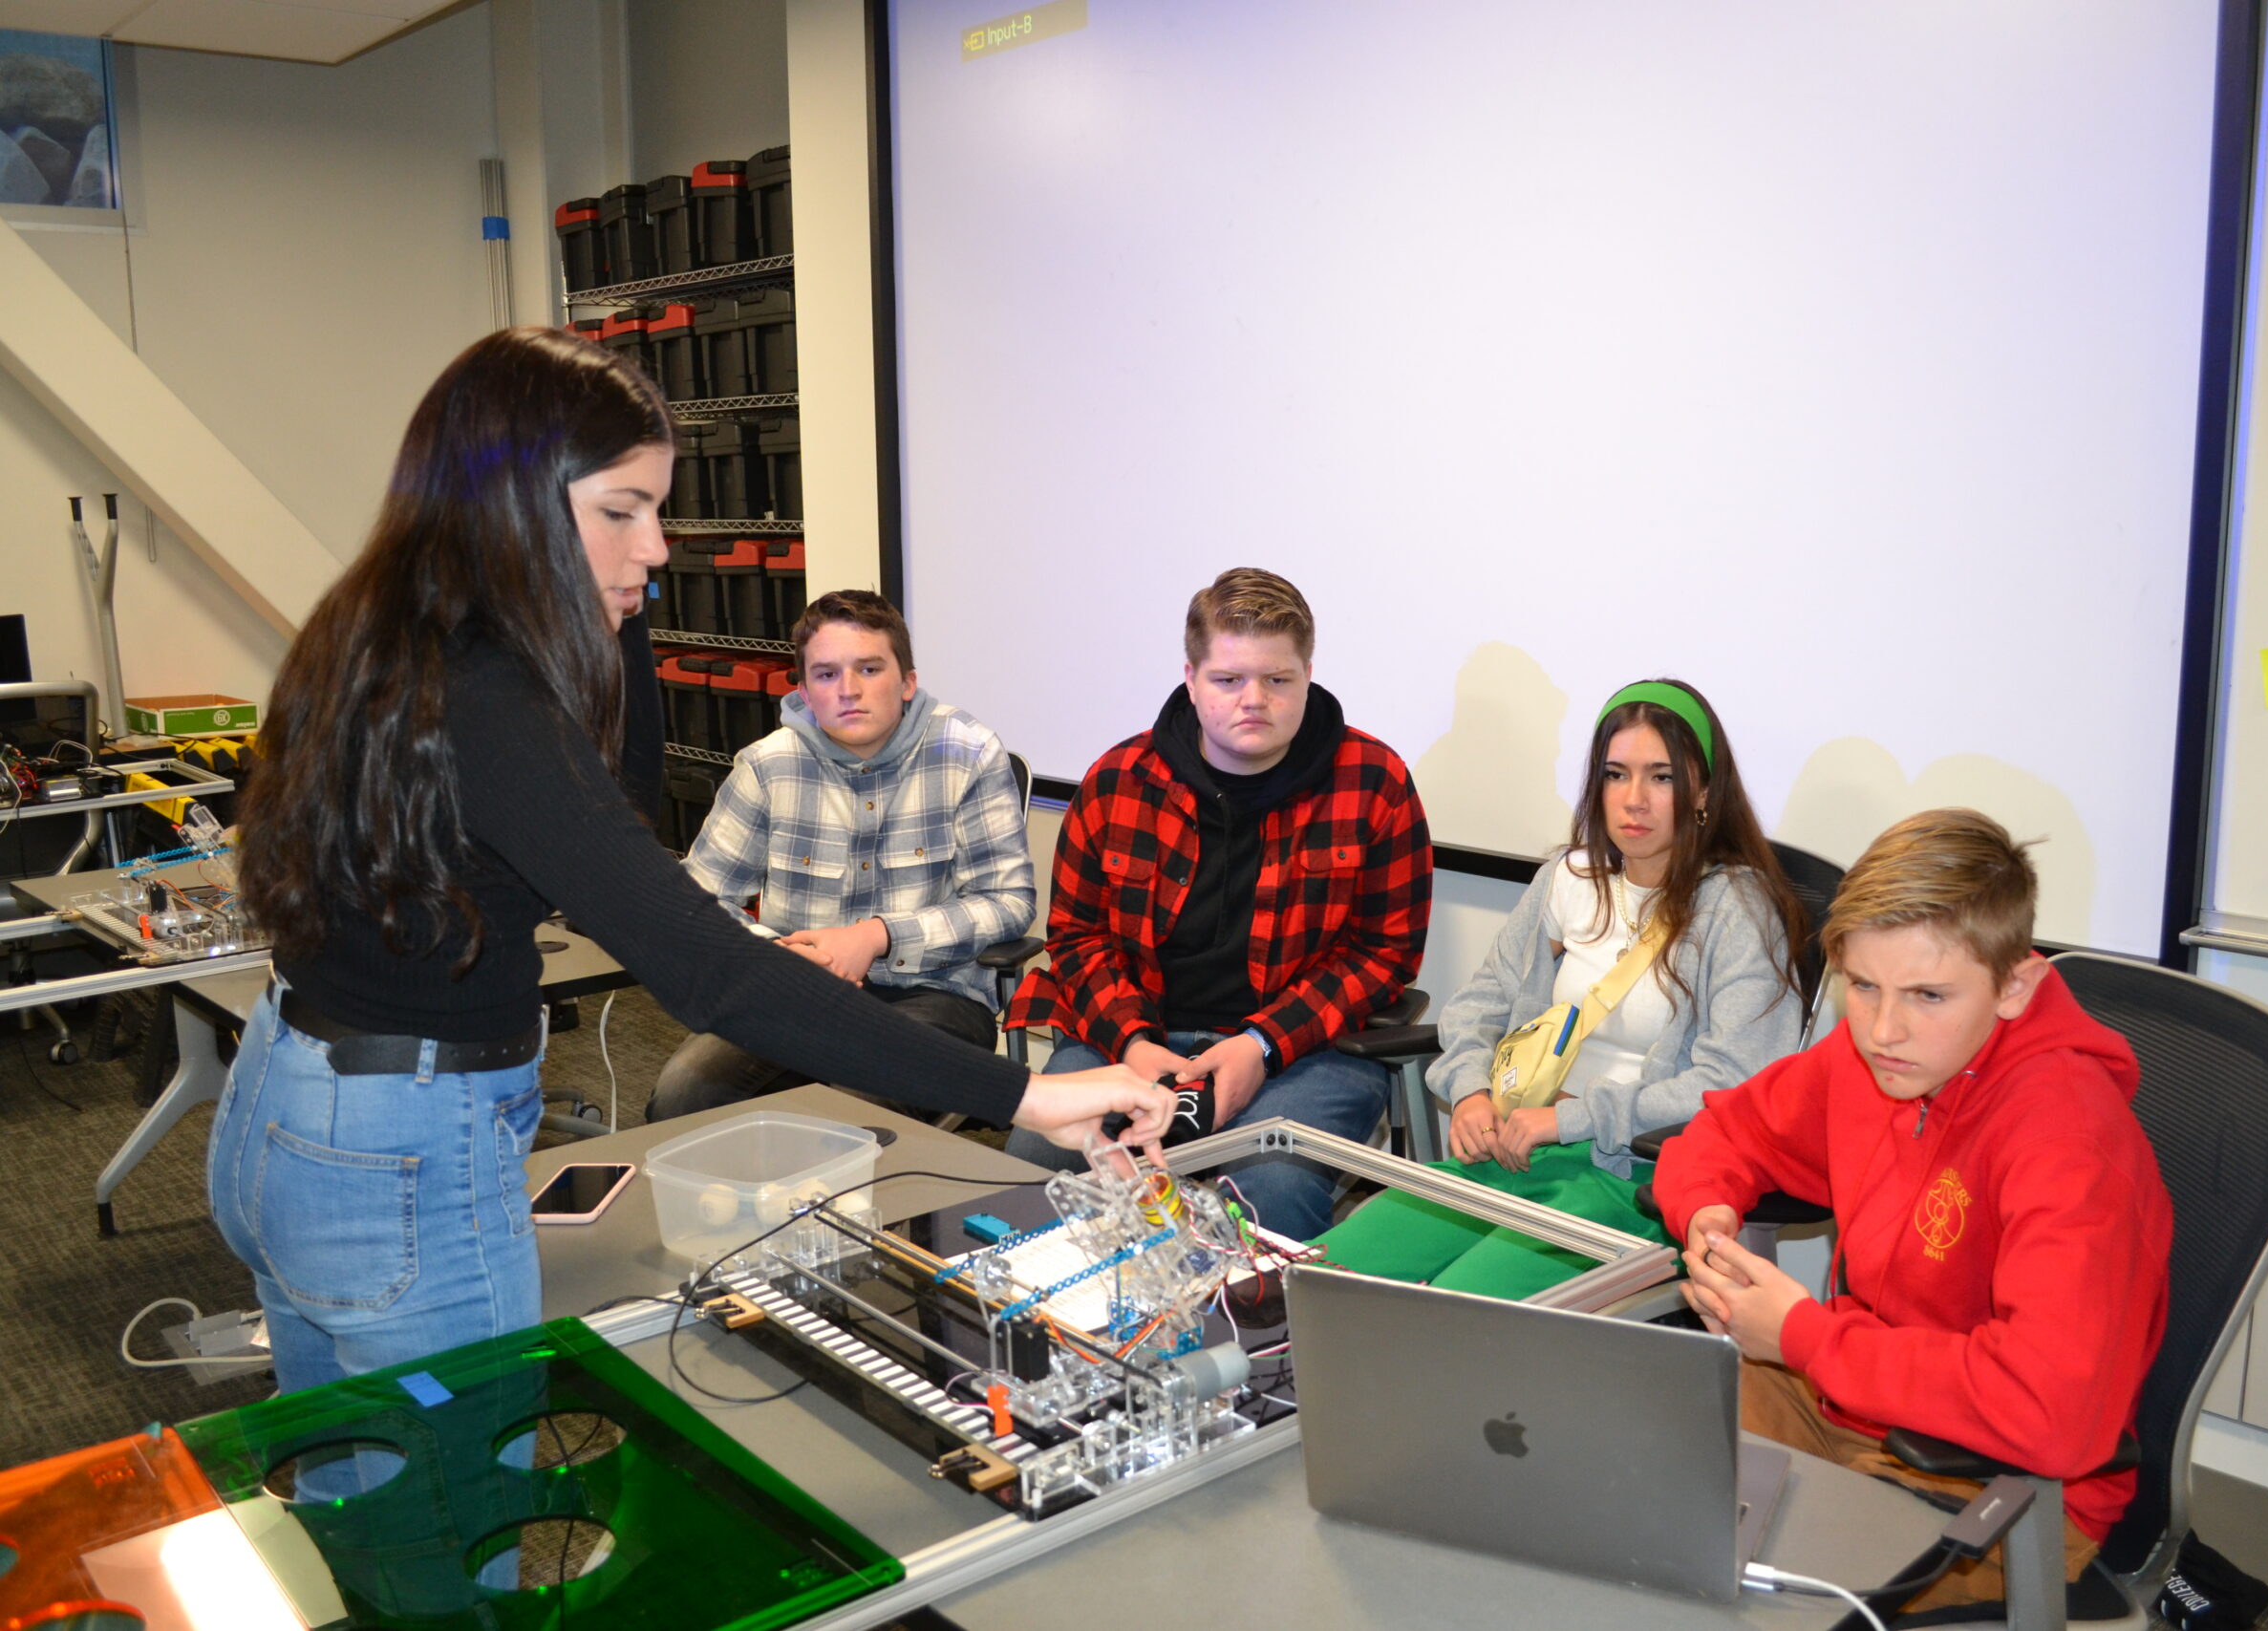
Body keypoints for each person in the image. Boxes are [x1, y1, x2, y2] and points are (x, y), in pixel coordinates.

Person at [214, 328, 1169, 1395]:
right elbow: (712, 970)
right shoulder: (486, 696)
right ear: (515, 507)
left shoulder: (393, 632)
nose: (658, 546)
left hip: (296, 1102)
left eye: (658, 513)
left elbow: (612, 800)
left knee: (355, 1482)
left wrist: (618, 612)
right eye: (621, 512)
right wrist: (1025, 1096)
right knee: (454, 1509)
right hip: (400, 1139)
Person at [1657, 808, 2173, 1610]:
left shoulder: (2070, 1138)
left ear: (2015, 985)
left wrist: (1804, 1334)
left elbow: (2050, 1414)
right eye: (1862, 986)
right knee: (1620, 1485)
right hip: (1839, 1398)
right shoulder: (1879, 1055)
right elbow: (1726, 1130)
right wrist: (1706, 1216)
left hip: (1994, 1483)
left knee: (1716, 1595)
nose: (1883, 1029)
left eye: (1929, 993)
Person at [1314, 679, 1808, 1297]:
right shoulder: (1567, 878)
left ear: (1704, 790)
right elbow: (1477, 1004)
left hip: (1634, 1183)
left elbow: (1731, 1084)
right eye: (1615, 774)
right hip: (1515, 1153)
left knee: (1446, 1315)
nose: (1634, 800)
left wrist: (1569, 1119)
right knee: (1320, 1274)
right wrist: (1469, 1092)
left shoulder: (1739, 909)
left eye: (1661, 777)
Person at [1003, 568, 1433, 1241]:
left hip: (1302, 1053)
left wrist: (1259, 1045)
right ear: (1191, 678)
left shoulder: (1375, 782)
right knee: (1035, 1173)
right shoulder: (1118, 781)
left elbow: (1385, 953)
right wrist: (1135, 1046)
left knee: (1268, 1196)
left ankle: (1268, 1346)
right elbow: (1078, 937)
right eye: (1229, 679)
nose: (1253, 700)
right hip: (1132, 1038)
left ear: (1309, 674)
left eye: (1278, 679)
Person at [647, 590, 1033, 1120]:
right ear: (804, 691)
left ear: (907, 682)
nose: (849, 690)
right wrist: (779, 954)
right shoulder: (766, 766)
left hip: (933, 994)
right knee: (681, 1100)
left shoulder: (967, 754)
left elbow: (1007, 901)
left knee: (854, 1121)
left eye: (870, 669)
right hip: (792, 989)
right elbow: (698, 900)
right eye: (827, 675)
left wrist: (876, 936)